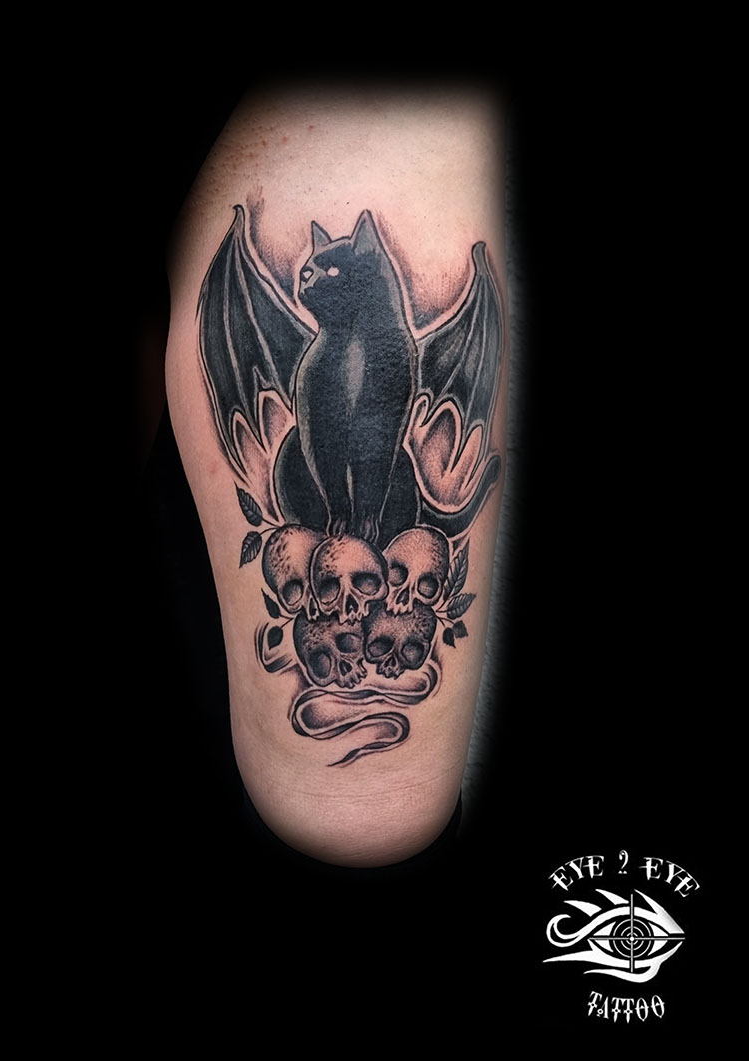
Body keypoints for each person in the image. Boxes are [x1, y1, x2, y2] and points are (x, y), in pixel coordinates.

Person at [160, 80, 509, 870]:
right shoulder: (315, 357)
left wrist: (361, 794)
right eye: (306, 276)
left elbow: (364, 815)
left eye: (322, 276)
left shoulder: (360, 124)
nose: (306, 283)